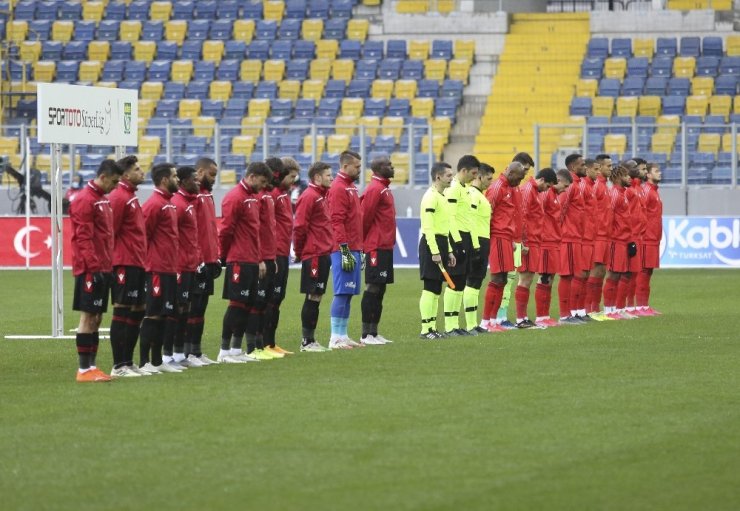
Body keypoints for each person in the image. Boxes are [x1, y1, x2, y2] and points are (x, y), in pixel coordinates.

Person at [70, 159, 123, 382]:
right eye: (114, 181)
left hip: (103, 266)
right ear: (103, 177)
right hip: (90, 269)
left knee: (98, 317)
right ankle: (83, 370)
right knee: (88, 316)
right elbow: (83, 238)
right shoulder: (84, 200)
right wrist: (94, 267)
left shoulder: (103, 200)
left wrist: (107, 265)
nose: (115, 186)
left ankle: (92, 366)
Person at [217, 161, 272, 363]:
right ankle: (224, 351)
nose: (263, 186)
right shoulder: (235, 197)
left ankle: (235, 349)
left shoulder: (252, 198)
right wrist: (222, 256)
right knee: (236, 305)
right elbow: (226, 231)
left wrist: (259, 259)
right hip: (238, 260)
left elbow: (254, 233)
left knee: (247, 305)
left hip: (251, 259)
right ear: (252, 176)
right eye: (262, 181)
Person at [108, 155, 148, 377]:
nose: (142, 172)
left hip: (137, 262)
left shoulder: (130, 196)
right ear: (125, 174)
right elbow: (110, 232)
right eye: (137, 169)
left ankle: (128, 362)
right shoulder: (118, 197)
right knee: (122, 310)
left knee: (138, 310)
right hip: (124, 262)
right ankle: (118, 365)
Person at [139, 162, 181, 373]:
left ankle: (157, 361)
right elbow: (142, 236)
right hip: (156, 269)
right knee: (153, 314)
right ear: (164, 180)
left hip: (170, 269)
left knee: (165, 315)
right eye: (174, 176)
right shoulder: (154, 204)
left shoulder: (170, 203)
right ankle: (145, 361)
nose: (178, 179)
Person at [293, 162, 334, 352]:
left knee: (317, 297)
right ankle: (306, 341)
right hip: (314, 254)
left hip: (323, 253)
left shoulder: (321, 196)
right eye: (328, 175)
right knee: (313, 296)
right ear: (317, 177)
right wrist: (300, 252)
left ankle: (310, 340)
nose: (331, 178)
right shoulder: (309, 196)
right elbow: (300, 226)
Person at [481, 161, 527, 332]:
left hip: (506, 238)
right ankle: (486, 321)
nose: (519, 182)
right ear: (511, 172)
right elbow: (487, 212)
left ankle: (493, 321)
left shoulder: (510, 188)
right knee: (497, 278)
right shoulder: (497, 187)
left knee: (503, 279)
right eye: (519, 178)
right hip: (498, 237)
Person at [262, 156, 300, 353]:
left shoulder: (285, 194)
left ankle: (271, 343)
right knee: (270, 299)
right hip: (274, 253)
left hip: (283, 252)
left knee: (277, 299)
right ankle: (264, 343)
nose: (293, 180)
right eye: (291, 176)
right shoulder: (274, 194)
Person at [326, 150, 363, 349]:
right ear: (345, 166)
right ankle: (335, 338)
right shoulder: (339, 187)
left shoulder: (350, 187)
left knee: (349, 293)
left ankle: (343, 334)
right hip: (343, 249)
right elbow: (336, 220)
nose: (359, 169)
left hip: (354, 247)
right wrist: (344, 248)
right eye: (356, 166)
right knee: (341, 292)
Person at [359, 156, 397, 345]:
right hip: (375, 246)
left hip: (385, 246)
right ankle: (366, 334)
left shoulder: (384, 188)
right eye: (388, 165)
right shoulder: (374, 189)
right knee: (373, 287)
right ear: (379, 168)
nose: (392, 167)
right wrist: (364, 243)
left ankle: (374, 332)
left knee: (380, 288)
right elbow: (364, 218)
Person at [169, 165, 204, 367]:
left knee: (186, 309)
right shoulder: (178, 204)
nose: (198, 182)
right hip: (179, 266)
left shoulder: (189, 203)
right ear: (182, 182)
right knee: (177, 310)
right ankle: (169, 355)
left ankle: (180, 354)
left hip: (190, 265)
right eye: (194, 179)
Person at [187, 157, 220, 365]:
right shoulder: (193, 196)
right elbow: (192, 232)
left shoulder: (207, 195)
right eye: (212, 174)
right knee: (192, 307)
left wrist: (215, 257)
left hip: (209, 260)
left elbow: (210, 231)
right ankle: (187, 352)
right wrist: (199, 259)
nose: (214, 179)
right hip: (195, 262)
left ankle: (196, 351)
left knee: (201, 307)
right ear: (199, 172)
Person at [514, 167, 557, 328]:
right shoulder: (527, 191)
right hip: (527, 241)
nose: (547, 190)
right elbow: (522, 216)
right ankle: (520, 319)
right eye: (547, 186)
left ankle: (523, 318)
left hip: (534, 240)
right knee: (524, 279)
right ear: (543, 180)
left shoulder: (534, 191)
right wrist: (523, 241)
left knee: (528, 278)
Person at [442, 154, 480, 336]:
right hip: (456, 238)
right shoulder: (454, 188)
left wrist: (473, 244)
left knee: (461, 282)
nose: (475, 177)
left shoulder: (465, 188)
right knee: (454, 282)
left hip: (465, 238)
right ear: (463, 170)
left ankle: (455, 325)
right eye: (473, 173)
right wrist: (457, 244)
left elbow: (467, 219)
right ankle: (450, 326)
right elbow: (450, 217)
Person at [418, 162, 457, 339]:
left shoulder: (442, 196)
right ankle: (426, 329)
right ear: (438, 177)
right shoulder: (430, 197)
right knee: (430, 287)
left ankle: (432, 328)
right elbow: (428, 227)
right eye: (449, 175)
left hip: (441, 243)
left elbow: (444, 227)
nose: (452, 178)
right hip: (430, 244)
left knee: (436, 289)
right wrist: (434, 251)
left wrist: (448, 250)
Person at [496, 152, 535, 329]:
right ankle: (499, 316)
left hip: (517, 240)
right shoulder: (504, 187)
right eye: (523, 171)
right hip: (508, 239)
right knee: (504, 278)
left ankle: (506, 316)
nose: (525, 175)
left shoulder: (515, 187)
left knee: (511, 278)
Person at [534, 169, 572, 327]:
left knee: (549, 278)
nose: (566, 189)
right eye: (565, 185)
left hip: (554, 241)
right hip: (546, 242)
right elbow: (537, 216)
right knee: (544, 278)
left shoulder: (555, 196)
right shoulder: (545, 195)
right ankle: (541, 317)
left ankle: (545, 315)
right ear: (558, 181)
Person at [558, 153, 588, 325]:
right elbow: (560, 209)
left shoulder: (577, 184)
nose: (584, 167)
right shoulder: (570, 186)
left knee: (574, 275)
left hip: (576, 236)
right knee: (567, 276)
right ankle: (564, 315)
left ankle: (573, 312)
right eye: (582, 164)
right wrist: (563, 231)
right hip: (568, 237)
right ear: (572, 168)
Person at [463, 162, 494, 334]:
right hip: (478, 242)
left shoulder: (480, 195)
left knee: (476, 282)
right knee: (472, 281)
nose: (490, 182)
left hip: (483, 240)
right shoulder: (473, 196)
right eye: (488, 178)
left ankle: (473, 324)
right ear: (479, 177)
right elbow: (471, 220)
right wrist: (474, 246)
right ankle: (470, 324)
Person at [602, 163, 633, 320]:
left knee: (622, 275)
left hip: (624, 240)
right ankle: (608, 310)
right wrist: (612, 237)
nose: (630, 178)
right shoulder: (614, 194)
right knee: (613, 275)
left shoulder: (623, 194)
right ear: (619, 177)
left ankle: (618, 309)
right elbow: (609, 217)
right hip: (615, 241)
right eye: (626, 175)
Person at [585, 154, 613, 320]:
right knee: (595, 272)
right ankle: (590, 309)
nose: (610, 168)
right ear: (600, 167)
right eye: (608, 166)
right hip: (597, 236)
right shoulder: (596, 186)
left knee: (601, 272)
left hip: (605, 235)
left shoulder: (604, 186)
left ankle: (595, 308)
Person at [636, 162, 663, 315]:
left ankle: (644, 306)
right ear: (648, 175)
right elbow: (640, 214)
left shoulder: (654, 191)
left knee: (648, 271)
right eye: (656, 171)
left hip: (653, 238)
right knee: (643, 271)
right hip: (646, 237)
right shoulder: (646, 191)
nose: (660, 173)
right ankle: (640, 306)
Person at [625, 158, 648, 315]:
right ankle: (624, 306)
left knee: (634, 272)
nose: (640, 171)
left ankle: (631, 307)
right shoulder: (628, 190)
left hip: (638, 234)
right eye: (637, 168)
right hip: (629, 235)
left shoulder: (637, 188)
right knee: (626, 273)